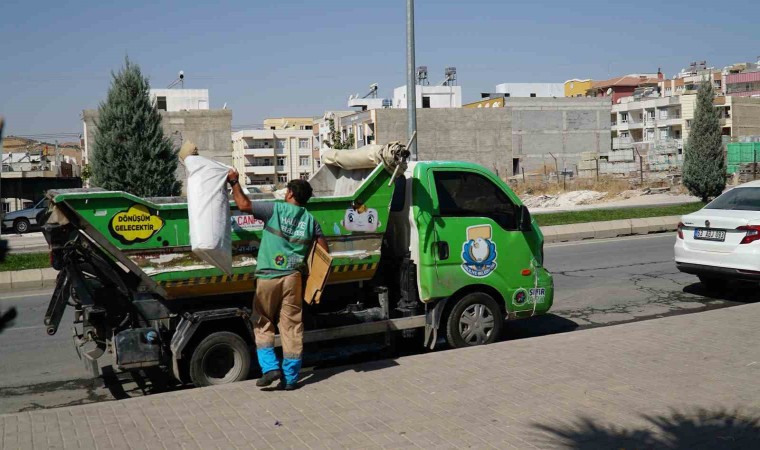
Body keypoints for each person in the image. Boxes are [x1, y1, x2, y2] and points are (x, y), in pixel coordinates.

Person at [227, 169, 328, 390]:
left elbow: (243, 205)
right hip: (293, 278)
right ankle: (291, 379)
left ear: (290, 193)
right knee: (291, 327)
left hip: (268, 276)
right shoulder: (311, 221)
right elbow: (323, 254)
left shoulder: (275, 209)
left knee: (262, 321)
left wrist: (234, 181)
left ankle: (270, 367)